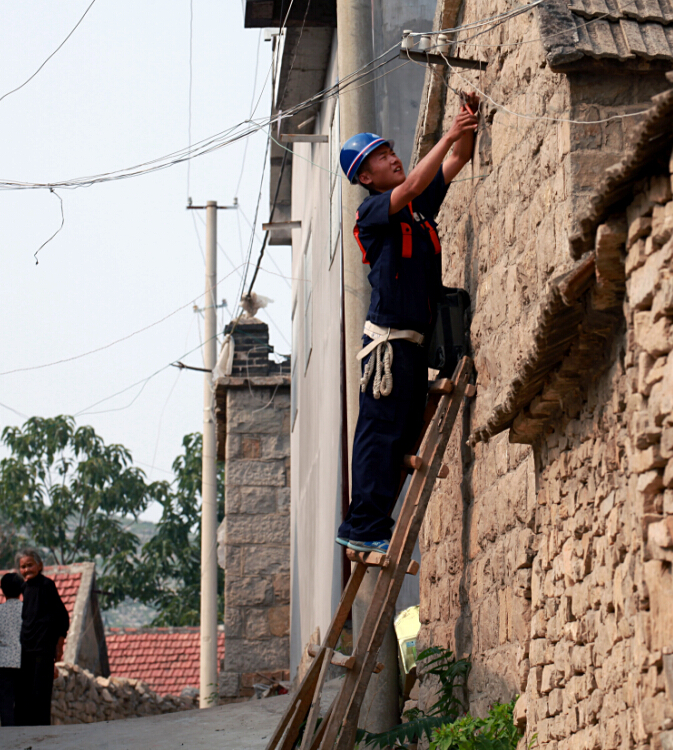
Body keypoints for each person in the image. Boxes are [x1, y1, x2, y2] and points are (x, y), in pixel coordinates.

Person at [336, 95, 479, 554]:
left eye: (390, 150)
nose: (392, 157)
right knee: (378, 435)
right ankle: (361, 526)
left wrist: (468, 125)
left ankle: (374, 523)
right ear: (366, 177)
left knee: (400, 437)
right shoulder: (373, 212)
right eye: (380, 156)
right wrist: (448, 134)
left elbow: (459, 159)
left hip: (417, 344)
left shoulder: (416, 211)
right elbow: (418, 181)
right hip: (389, 344)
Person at [14, 549, 69, 726]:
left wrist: (59, 647)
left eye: (30, 565)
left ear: (40, 566)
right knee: (23, 693)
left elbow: (62, 617)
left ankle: (41, 734)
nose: (26, 569)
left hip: (43, 649)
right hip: (25, 648)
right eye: (23, 567)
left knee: (41, 693)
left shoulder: (47, 586)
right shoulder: (23, 589)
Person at [0, 572, 24, 726]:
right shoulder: (28, 610)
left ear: (2, 590)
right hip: (24, 662)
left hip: (3, 663)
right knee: (22, 701)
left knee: (5, 702)